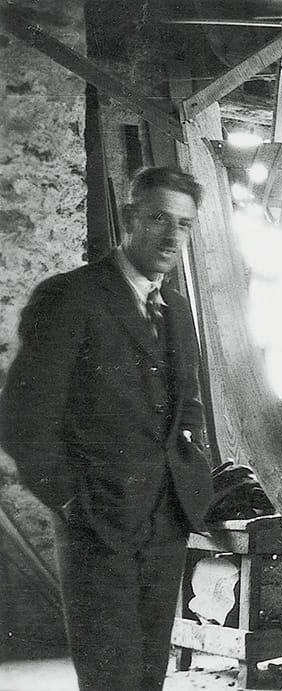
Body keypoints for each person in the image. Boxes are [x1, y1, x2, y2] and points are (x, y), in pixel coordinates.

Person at [0, 166, 214, 691]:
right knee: (110, 676)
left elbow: (185, 404)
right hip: (98, 522)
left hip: (165, 520)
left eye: (183, 225)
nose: (171, 236)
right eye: (159, 218)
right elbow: (22, 418)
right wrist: (72, 503)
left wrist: (190, 466)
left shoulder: (179, 311)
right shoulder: (71, 297)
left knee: (149, 674)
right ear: (129, 218)